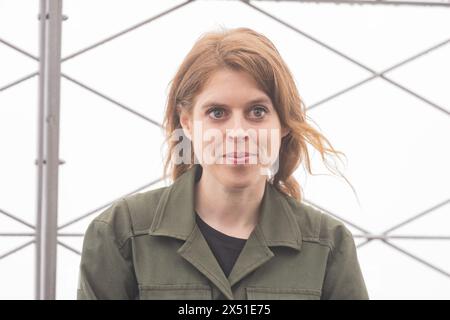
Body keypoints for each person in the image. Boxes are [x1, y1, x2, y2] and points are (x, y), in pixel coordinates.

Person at [77, 27, 369, 300]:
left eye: (257, 111)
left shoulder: (327, 245)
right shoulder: (121, 233)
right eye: (217, 113)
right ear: (188, 123)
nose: (238, 132)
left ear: (283, 124)